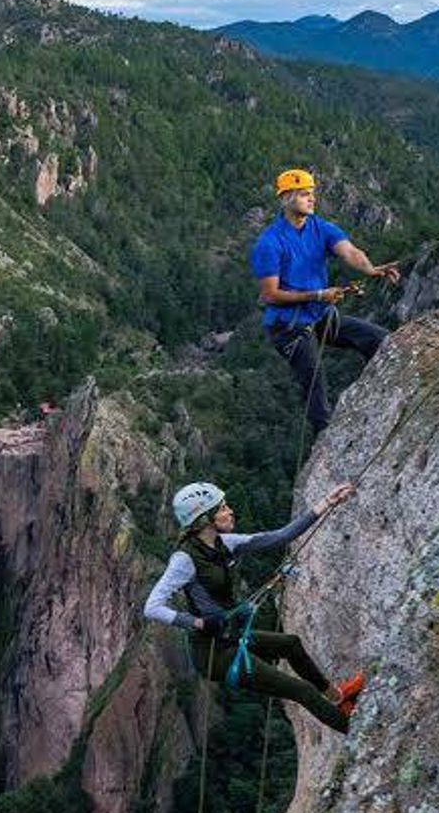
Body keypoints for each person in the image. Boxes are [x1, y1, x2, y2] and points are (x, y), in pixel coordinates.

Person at [144, 480, 365, 734]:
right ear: (205, 519)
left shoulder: (225, 543)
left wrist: (327, 502)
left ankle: (337, 697)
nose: (230, 511)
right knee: (300, 690)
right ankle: (356, 732)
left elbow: (281, 536)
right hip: (214, 653)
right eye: (222, 508)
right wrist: (198, 623)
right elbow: (152, 606)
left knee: (290, 644)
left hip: (231, 635)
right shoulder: (184, 560)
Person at [251, 168, 401, 433]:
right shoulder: (270, 243)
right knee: (313, 377)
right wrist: (318, 295)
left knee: (378, 339)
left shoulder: (321, 228)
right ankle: (325, 436)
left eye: (312, 194)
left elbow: (349, 252)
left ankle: (384, 396)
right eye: (304, 194)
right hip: (287, 326)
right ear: (286, 199)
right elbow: (270, 294)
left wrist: (370, 269)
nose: (312, 199)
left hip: (318, 316)